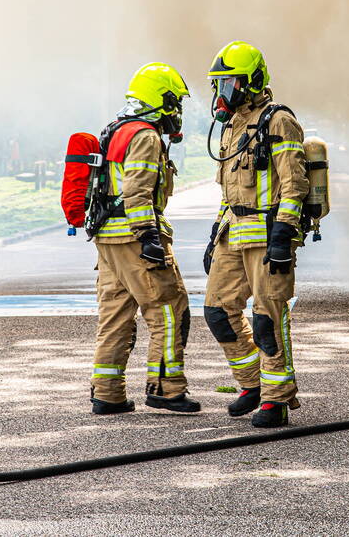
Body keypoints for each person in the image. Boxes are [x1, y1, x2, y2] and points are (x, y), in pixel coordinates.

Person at [202, 41, 309, 428]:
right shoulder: (231, 126)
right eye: (218, 84)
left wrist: (283, 235)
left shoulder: (278, 120)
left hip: (268, 235)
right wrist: (216, 233)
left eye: (228, 83)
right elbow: (229, 190)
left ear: (251, 81)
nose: (221, 93)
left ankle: (277, 399)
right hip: (234, 233)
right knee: (217, 311)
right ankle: (252, 384)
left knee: (268, 318)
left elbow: (295, 184)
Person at [89, 62, 199, 415]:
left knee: (115, 316)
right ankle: (166, 389)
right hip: (136, 240)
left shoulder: (116, 129)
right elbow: (137, 191)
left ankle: (108, 393)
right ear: (159, 98)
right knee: (169, 310)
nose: (176, 111)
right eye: (174, 102)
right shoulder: (145, 136)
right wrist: (149, 235)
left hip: (108, 241)